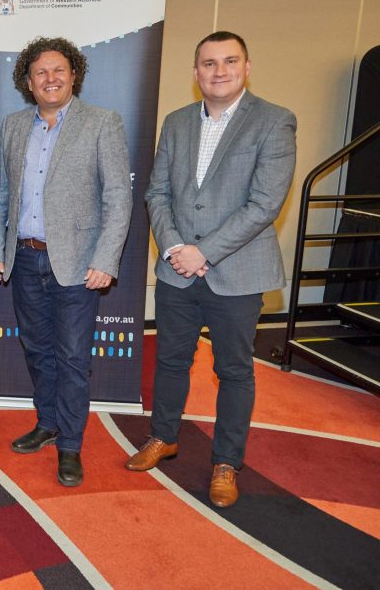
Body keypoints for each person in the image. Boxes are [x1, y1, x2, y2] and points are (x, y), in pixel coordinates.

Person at [127, 31, 296, 508]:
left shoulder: (274, 121)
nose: (219, 71)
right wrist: (175, 247)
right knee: (170, 360)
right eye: (208, 63)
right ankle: (164, 437)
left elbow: (264, 204)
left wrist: (204, 252)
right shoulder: (177, 122)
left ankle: (226, 462)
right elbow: (157, 192)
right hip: (177, 270)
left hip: (237, 273)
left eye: (229, 61)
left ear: (246, 67)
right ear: (196, 71)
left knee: (234, 370)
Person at [0, 37, 132, 487]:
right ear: (28, 82)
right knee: (37, 350)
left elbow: (118, 197)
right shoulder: (13, 126)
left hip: (78, 264)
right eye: (40, 72)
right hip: (25, 259)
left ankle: (70, 443)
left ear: (74, 75)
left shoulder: (102, 122)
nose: (50, 79)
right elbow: (3, 194)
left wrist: (106, 258)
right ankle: (47, 422)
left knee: (71, 357)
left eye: (58, 70)